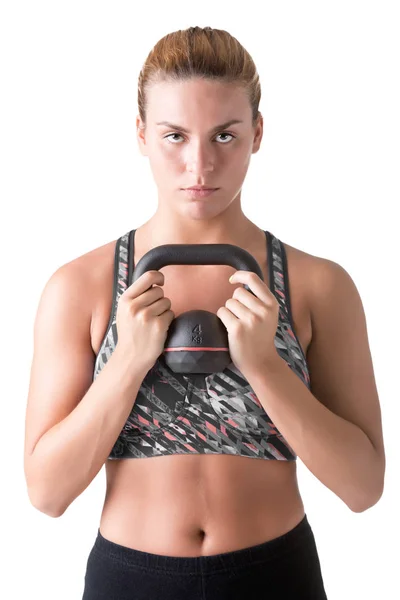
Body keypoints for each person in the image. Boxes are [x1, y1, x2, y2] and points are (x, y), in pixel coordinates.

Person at [23, 26, 385, 600]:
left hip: (276, 576)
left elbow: (364, 487)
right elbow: (46, 494)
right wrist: (127, 363)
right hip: (131, 580)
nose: (200, 164)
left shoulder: (319, 286)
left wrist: (266, 366)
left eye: (224, 135)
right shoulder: (82, 287)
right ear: (141, 134)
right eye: (174, 136)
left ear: (257, 133)